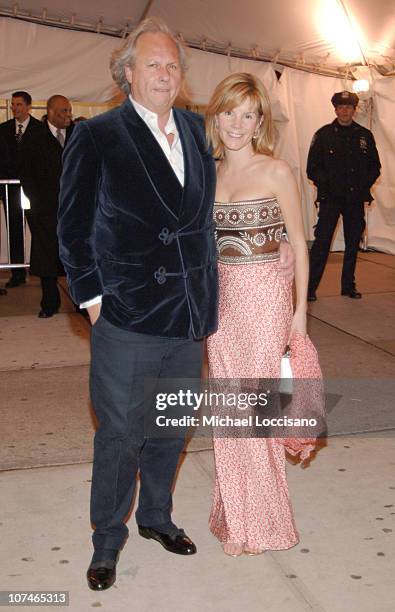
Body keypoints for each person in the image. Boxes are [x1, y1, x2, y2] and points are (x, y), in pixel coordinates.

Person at [205, 73, 308, 557]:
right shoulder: (208, 175)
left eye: (249, 114)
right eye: (230, 112)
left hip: (266, 300)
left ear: (260, 121)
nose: (238, 124)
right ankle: (236, 517)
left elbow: (301, 245)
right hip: (220, 305)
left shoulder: (276, 172)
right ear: (216, 115)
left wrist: (300, 315)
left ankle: (264, 523)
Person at [306, 90, 381, 301]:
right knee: (322, 243)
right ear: (335, 109)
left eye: (348, 107)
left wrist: (361, 186)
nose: (344, 110)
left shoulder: (364, 136)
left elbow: (374, 167)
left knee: (352, 243)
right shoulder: (323, 135)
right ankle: (310, 288)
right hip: (330, 198)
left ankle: (348, 286)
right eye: (340, 107)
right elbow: (312, 168)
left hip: (354, 199)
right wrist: (327, 185)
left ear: (354, 110)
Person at [20, 95, 73, 317]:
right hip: (45, 209)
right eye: (63, 111)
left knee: (76, 255)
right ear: (50, 112)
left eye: (69, 111)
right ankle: (49, 303)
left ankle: (80, 302)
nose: (68, 116)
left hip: (73, 208)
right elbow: (26, 174)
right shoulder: (34, 137)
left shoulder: (77, 134)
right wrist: (38, 204)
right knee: (46, 257)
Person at [0, 91, 43, 288]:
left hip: (35, 189)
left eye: (18, 104)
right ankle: (17, 274)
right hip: (11, 189)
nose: (15, 108)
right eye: (13, 105)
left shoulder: (40, 129)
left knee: (39, 228)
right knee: (14, 229)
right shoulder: (3, 129)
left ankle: (43, 271)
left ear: (28, 106)